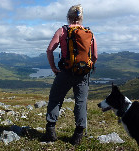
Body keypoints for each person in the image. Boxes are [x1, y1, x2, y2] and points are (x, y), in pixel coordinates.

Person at [42, 4, 98, 145]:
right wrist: (87, 67)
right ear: (81, 17)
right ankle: (78, 135)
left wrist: (54, 67)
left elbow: (49, 50)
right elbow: (95, 55)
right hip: (83, 74)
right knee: (81, 102)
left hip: (65, 71)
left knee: (56, 99)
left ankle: (51, 131)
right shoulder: (88, 32)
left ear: (68, 16)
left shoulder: (62, 31)